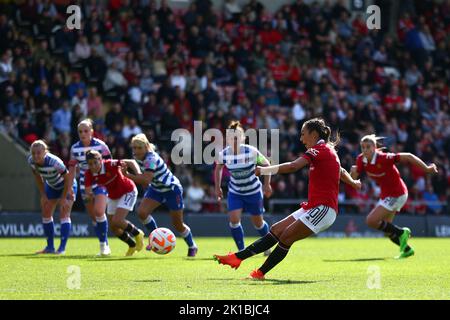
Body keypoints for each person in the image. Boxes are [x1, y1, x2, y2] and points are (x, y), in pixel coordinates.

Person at [214, 118, 361, 280]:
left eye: (303, 134)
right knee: (276, 229)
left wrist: (264, 170)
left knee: (286, 237)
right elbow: (340, 170)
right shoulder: (326, 151)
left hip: (324, 209)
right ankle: (237, 258)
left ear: (313, 134)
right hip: (313, 207)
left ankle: (259, 273)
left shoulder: (319, 150)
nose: (301, 139)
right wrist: (354, 182)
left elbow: (293, 166)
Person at [350, 134, 438, 259]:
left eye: (368, 147)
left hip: (398, 193)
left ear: (374, 148)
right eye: (362, 147)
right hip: (387, 194)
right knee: (387, 230)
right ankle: (407, 250)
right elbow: (354, 183)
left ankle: (402, 232)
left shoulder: (384, 158)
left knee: (371, 220)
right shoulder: (361, 160)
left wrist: (427, 169)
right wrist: (353, 174)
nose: (365, 150)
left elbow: (408, 156)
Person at [123, 133, 198, 257]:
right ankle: (155, 239)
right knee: (142, 212)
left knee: (178, 224)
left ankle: (192, 245)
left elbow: (146, 180)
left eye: (139, 148)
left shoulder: (151, 159)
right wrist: (116, 162)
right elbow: (132, 162)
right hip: (157, 189)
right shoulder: (137, 156)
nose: (136, 150)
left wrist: (127, 175)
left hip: (172, 190)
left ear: (146, 147)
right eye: (134, 148)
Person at [214, 121, 273, 254]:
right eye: (231, 138)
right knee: (234, 220)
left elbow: (267, 165)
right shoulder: (224, 154)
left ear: (242, 138)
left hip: (253, 191)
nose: (234, 141)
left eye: (236, 138)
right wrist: (217, 187)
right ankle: (241, 250)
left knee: (258, 223)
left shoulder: (251, 152)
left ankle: (267, 245)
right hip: (236, 192)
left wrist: (267, 184)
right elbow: (218, 168)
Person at [84, 150, 145, 256]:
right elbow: (88, 190)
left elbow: (131, 162)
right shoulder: (89, 174)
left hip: (128, 191)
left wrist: (138, 173)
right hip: (113, 196)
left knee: (118, 220)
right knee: (113, 227)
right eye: (90, 164)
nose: (93, 166)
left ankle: (138, 233)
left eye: (95, 162)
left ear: (100, 160)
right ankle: (132, 245)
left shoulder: (109, 164)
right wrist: (89, 195)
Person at [68, 119, 112, 256]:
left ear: (92, 131)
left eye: (86, 131)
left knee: (99, 212)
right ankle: (104, 243)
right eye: (80, 131)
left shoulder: (101, 146)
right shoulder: (75, 148)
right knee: (94, 217)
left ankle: (103, 245)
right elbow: (72, 170)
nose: (83, 134)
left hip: (100, 183)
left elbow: (110, 165)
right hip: (84, 185)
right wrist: (69, 187)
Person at [28, 140, 77, 254]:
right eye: (33, 153)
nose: (35, 155)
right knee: (46, 213)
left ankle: (62, 249)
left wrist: (64, 197)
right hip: (51, 186)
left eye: (38, 153)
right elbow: (38, 177)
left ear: (45, 152)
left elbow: (67, 178)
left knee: (64, 213)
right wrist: (43, 195)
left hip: (67, 185)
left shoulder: (54, 162)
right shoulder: (31, 161)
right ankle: (50, 247)